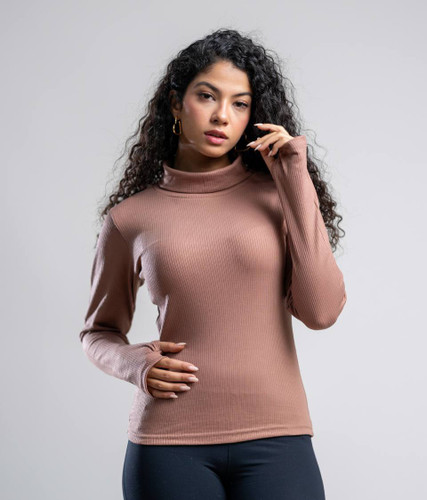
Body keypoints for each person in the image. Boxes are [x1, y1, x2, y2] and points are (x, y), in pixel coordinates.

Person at [79, 28, 347, 500]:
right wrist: (133, 363)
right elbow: (97, 332)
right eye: (207, 96)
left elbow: (321, 311)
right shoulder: (130, 218)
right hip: (168, 444)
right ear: (175, 103)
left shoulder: (278, 198)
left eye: (240, 104)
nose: (223, 114)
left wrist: (294, 177)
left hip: (278, 436)